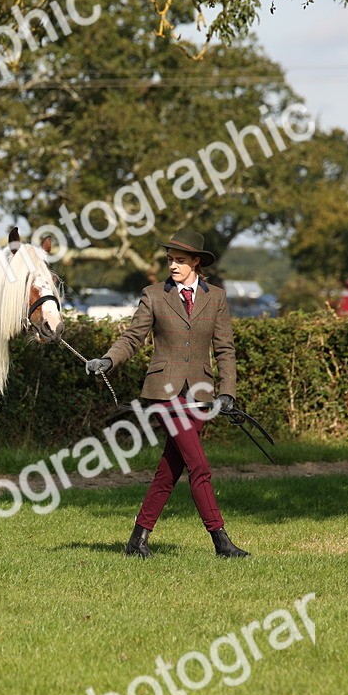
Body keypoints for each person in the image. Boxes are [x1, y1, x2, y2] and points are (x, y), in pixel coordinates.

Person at [85, 228, 250, 559]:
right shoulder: (154, 295)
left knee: (170, 469)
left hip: (201, 394)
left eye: (180, 260)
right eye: (170, 260)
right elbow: (133, 338)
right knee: (199, 466)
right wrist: (108, 360)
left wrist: (227, 390)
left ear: (196, 263)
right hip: (165, 393)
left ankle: (137, 539)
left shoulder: (215, 298)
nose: (173, 266)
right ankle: (221, 541)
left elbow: (225, 349)